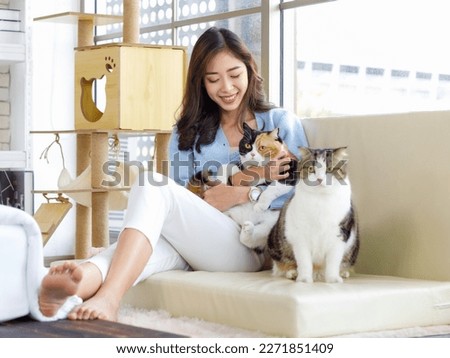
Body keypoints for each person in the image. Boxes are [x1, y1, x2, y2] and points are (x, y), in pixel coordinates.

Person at [38, 27, 308, 321]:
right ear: (200, 83)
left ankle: (107, 293)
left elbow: (303, 191)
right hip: (203, 240)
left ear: (249, 70)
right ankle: (80, 280)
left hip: (255, 245)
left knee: (153, 185)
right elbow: (177, 207)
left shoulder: (279, 123)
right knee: (154, 206)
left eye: (234, 74)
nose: (227, 87)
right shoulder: (186, 132)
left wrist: (242, 192)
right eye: (213, 79)